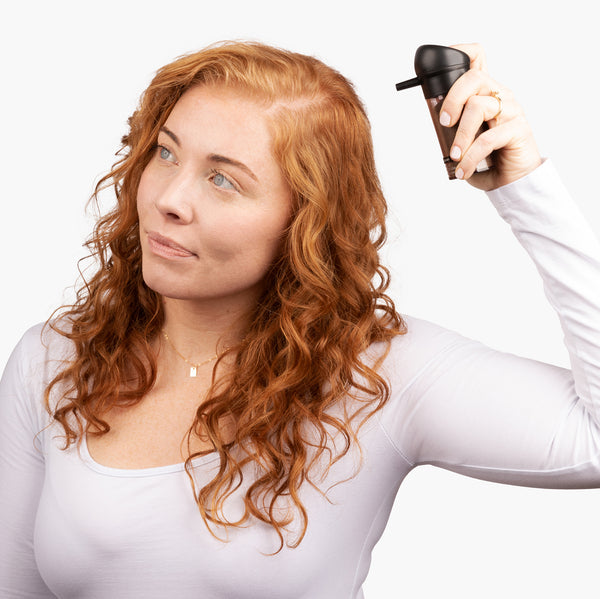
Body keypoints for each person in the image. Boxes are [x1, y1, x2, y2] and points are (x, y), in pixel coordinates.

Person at [0, 40, 598, 598]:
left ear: (307, 221)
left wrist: (526, 187)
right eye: (165, 152)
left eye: (222, 179)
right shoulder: (53, 361)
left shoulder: (380, 376)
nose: (167, 200)